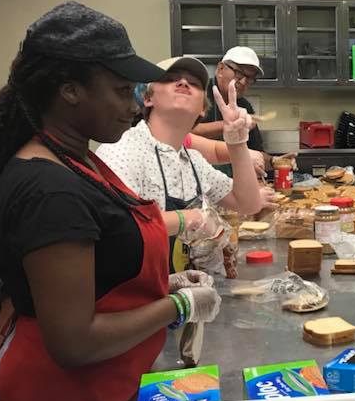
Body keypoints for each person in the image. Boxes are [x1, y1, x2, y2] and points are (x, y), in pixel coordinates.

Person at [0, 2, 222, 401]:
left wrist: (166, 283)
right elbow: (75, 341)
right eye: (122, 91)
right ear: (70, 91)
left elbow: (105, 266)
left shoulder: (78, 159)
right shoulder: (49, 189)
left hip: (107, 384)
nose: (132, 105)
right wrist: (177, 306)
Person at [96, 55, 269, 271]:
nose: (184, 83)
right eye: (170, 78)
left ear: (202, 110)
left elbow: (248, 204)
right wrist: (188, 218)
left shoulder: (193, 162)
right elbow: (115, 228)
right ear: (147, 98)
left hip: (185, 291)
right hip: (138, 295)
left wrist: (237, 143)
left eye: (194, 83)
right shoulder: (123, 149)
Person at [192, 45, 268, 176]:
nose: (244, 82)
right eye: (239, 73)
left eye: (250, 78)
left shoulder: (244, 106)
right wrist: (229, 125)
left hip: (230, 184)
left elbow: (255, 151)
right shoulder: (197, 94)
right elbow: (184, 133)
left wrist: (274, 161)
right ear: (221, 69)